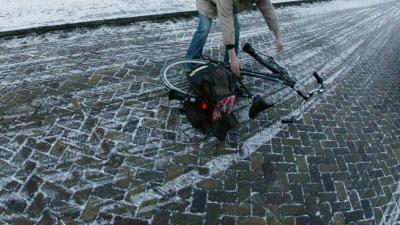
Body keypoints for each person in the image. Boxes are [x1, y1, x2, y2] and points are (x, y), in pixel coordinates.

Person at [186, 0, 284, 76]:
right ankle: (190, 61)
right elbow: (226, 24)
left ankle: (229, 65)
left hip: (229, 7)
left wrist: (278, 37)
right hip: (207, 2)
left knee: (236, 32)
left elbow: (269, 13)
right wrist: (233, 57)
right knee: (204, 30)